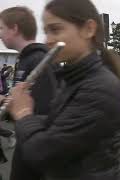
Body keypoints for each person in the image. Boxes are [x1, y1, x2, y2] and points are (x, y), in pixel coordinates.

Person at [6, 0, 120, 179]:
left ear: (88, 29)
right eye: (46, 31)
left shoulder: (100, 88)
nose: (47, 40)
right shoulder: (73, 77)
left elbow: (44, 153)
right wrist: (18, 106)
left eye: (55, 30)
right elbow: (60, 121)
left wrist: (24, 113)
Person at [0, 6, 59, 180]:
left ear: (15, 28)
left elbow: (45, 112)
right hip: (26, 142)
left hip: (35, 150)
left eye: (1, 28)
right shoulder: (26, 59)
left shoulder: (38, 60)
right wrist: (6, 101)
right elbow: (25, 102)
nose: (0, 34)